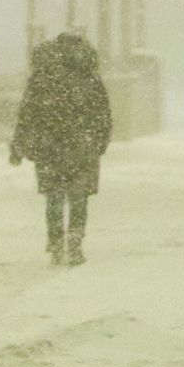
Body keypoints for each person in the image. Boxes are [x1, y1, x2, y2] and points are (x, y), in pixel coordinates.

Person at [10, 32, 112, 264]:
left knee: (54, 196)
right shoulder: (90, 79)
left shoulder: (42, 78)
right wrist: (99, 142)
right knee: (79, 196)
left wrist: (19, 143)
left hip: (50, 146)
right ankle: (75, 239)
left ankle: (55, 240)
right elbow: (102, 114)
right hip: (82, 145)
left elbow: (27, 113)